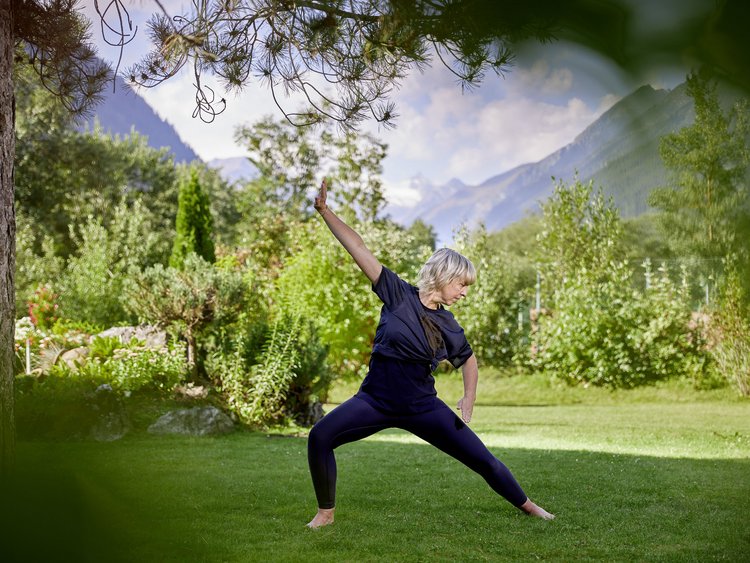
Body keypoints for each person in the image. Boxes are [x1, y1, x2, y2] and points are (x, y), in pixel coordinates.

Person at [306, 179, 554, 528]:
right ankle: (325, 513)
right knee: (320, 436)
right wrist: (325, 212)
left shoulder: (448, 324)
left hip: (422, 407)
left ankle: (529, 506)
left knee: (483, 459)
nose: (464, 293)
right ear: (442, 276)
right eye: (461, 284)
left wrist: (469, 398)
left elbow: (468, 358)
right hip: (375, 400)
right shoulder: (397, 294)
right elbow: (359, 248)